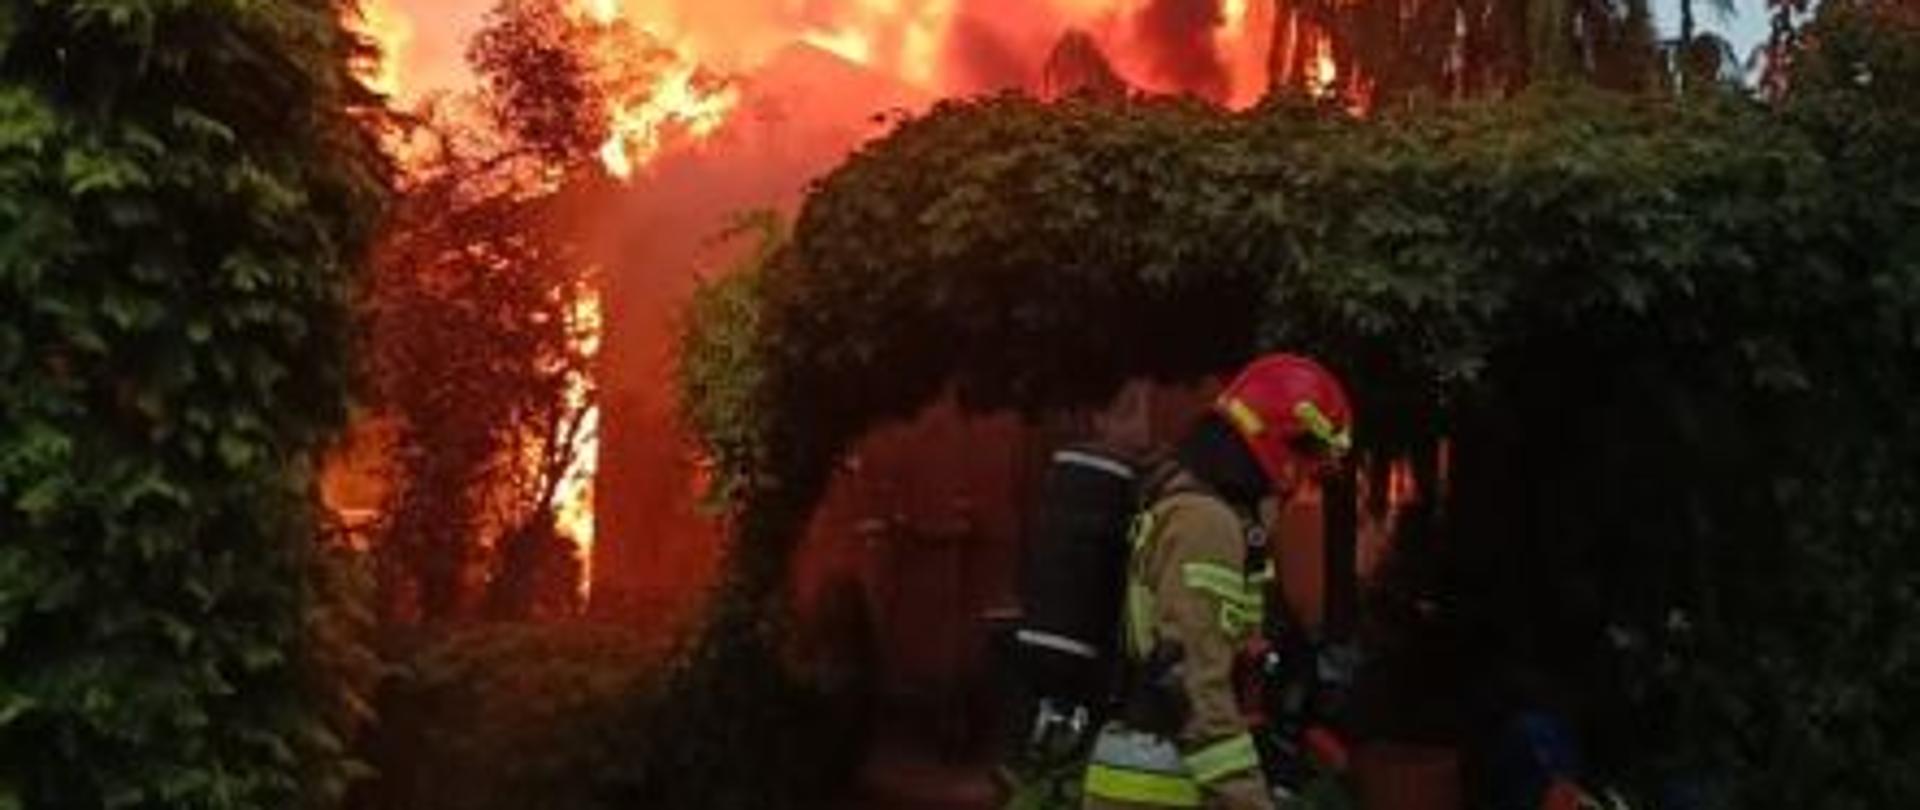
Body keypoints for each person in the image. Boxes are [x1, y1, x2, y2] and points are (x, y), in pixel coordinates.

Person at [1082, 354, 1353, 810]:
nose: (1306, 478)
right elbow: (1193, 684)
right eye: (1307, 456)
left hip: (1163, 774)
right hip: (1161, 787)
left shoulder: (1208, 510)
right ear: (1275, 442)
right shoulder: (1206, 523)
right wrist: (1249, 800)